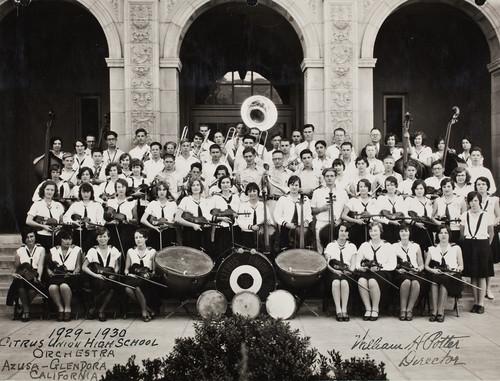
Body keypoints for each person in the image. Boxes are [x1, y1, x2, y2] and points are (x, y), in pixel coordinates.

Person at [460, 191, 495, 314]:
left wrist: (485, 246)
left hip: (482, 245)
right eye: (471, 201)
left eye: (475, 200)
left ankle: (481, 303)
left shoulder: (486, 215)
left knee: (481, 276)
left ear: (480, 201)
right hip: (470, 245)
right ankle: (475, 303)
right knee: (473, 275)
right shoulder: (465, 215)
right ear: (468, 203)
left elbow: (491, 233)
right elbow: (462, 232)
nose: (473, 203)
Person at [356, 222, 396, 321]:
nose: (373, 233)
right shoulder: (364, 245)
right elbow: (357, 261)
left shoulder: (387, 245)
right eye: (371, 231)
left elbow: (393, 264)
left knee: (372, 281)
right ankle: (368, 308)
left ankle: (375, 308)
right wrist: (360, 267)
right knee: (361, 281)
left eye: (375, 231)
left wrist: (379, 268)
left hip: (383, 272)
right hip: (368, 271)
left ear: (380, 232)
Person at [425, 225, 464, 322]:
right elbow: (426, 266)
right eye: (441, 233)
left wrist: (454, 271)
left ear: (449, 235)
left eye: (446, 233)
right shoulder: (432, 248)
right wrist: (432, 270)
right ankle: (434, 311)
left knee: (444, 281)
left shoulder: (456, 248)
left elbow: (461, 266)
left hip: (452, 276)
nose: (443, 235)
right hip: (436, 274)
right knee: (434, 281)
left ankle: (440, 311)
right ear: (437, 235)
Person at [82, 227, 122, 322]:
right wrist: (96, 275)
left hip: (111, 277)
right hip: (96, 278)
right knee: (106, 286)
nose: (102, 239)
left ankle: (98, 309)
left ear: (108, 238)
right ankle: (99, 310)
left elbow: (117, 266)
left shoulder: (114, 249)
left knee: (111, 287)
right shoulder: (92, 250)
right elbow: (84, 267)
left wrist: (115, 274)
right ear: (96, 238)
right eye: (100, 236)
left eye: (104, 236)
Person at [46, 228, 82, 322]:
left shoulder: (77, 249)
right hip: (57, 275)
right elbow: (48, 266)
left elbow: (78, 266)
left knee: (64, 286)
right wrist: (49, 271)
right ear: (60, 239)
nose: (68, 241)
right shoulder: (54, 250)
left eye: (70, 239)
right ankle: (60, 308)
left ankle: (67, 308)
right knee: (52, 287)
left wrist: (74, 272)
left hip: (70, 276)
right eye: (65, 239)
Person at [10, 228, 46, 322]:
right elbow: (16, 267)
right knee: (20, 284)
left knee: (32, 289)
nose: (30, 239)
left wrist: (39, 277)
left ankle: (24, 308)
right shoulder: (20, 251)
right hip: (23, 274)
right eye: (27, 238)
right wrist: (13, 274)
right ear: (24, 239)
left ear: (35, 237)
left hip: (35, 273)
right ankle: (26, 311)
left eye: (32, 237)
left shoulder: (41, 249)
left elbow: (41, 265)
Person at [323, 223, 357, 322]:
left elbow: (353, 264)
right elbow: (326, 263)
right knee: (336, 282)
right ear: (337, 232)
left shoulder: (352, 246)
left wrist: (349, 271)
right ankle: (338, 310)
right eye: (341, 230)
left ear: (348, 234)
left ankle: (344, 310)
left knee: (345, 283)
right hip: (332, 271)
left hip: (347, 272)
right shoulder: (331, 245)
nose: (343, 233)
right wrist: (334, 271)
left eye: (346, 231)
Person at [311, 168, 349, 253]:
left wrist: (340, 220)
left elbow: (346, 209)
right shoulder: (317, 192)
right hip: (321, 223)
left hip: (337, 224)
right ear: (324, 178)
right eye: (327, 176)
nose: (329, 178)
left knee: (336, 248)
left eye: (332, 176)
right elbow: (312, 211)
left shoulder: (342, 192)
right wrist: (322, 209)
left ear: (335, 177)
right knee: (320, 248)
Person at [475, 176, 500, 299]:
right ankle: (479, 289)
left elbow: (498, 216)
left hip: (490, 232)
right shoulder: (473, 199)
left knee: (488, 262)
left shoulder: (493, 200)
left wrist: (490, 224)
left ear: (487, 186)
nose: (481, 186)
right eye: (479, 184)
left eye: (483, 184)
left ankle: (488, 289)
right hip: (477, 233)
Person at [392, 224, 424, 321]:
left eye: (406, 231)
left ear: (410, 233)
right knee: (406, 282)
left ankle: (409, 310)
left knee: (415, 283)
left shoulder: (416, 246)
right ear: (399, 233)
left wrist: (418, 269)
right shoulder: (394, 246)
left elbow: (421, 264)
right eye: (402, 231)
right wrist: (397, 270)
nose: (404, 233)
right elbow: (391, 263)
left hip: (414, 272)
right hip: (400, 273)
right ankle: (403, 310)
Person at [124, 229, 157, 322]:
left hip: (146, 278)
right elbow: (126, 269)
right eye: (136, 238)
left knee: (134, 287)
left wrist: (150, 275)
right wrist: (128, 273)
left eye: (140, 237)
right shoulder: (130, 251)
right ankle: (146, 309)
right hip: (134, 277)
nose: (138, 240)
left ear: (146, 238)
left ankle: (144, 310)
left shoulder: (152, 251)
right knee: (128, 288)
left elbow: (154, 270)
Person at [273, 176, 313, 251]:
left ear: (299, 186)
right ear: (288, 186)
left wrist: (306, 221)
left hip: (301, 230)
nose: (294, 187)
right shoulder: (283, 199)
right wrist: (286, 224)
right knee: (286, 253)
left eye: (296, 185)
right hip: (287, 229)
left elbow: (309, 214)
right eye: (292, 185)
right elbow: (277, 215)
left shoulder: (305, 199)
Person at [63, 182, 105, 252]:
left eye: (88, 192)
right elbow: (65, 218)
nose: (86, 194)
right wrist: (73, 222)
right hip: (78, 233)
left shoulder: (97, 205)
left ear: (91, 192)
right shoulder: (75, 205)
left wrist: (92, 224)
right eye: (83, 192)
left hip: (92, 234)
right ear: (80, 193)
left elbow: (101, 222)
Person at [26, 180, 65, 251]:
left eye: (52, 190)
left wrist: (59, 227)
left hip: (55, 237)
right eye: (47, 189)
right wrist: (43, 226)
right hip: (41, 236)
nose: (49, 192)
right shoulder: (37, 204)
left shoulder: (58, 205)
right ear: (43, 190)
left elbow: (62, 222)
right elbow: (28, 221)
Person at [175, 179, 212, 251]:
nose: (196, 187)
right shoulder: (186, 200)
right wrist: (193, 225)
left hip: (204, 232)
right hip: (190, 233)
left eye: (198, 185)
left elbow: (208, 216)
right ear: (190, 188)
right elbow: (177, 218)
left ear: (201, 187)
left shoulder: (205, 201)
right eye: (193, 185)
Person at [210, 175, 242, 259]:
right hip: (221, 229)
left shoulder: (236, 197)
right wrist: (220, 218)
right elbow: (207, 214)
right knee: (222, 253)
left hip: (235, 229)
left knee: (235, 254)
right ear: (219, 185)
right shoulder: (215, 198)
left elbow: (239, 212)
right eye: (223, 182)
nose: (225, 184)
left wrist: (236, 215)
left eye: (227, 182)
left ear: (231, 184)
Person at [141, 182, 178, 250]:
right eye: (159, 190)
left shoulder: (172, 204)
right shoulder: (153, 203)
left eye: (164, 190)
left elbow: (176, 220)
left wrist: (169, 224)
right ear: (156, 191)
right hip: (156, 231)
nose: (162, 192)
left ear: (167, 191)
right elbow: (143, 219)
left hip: (169, 232)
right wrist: (154, 227)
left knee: (168, 253)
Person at [341, 179, 377, 248]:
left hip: (370, 229)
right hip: (357, 229)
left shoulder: (373, 200)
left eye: (365, 187)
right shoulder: (353, 200)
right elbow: (343, 216)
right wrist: (356, 221)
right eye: (360, 187)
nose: (362, 189)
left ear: (368, 188)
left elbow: (376, 216)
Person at [105, 178, 138, 254]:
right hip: (113, 229)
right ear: (115, 189)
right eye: (118, 187)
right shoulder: (110, 202)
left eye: (123, 187)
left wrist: (126, 219)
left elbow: (136, 221)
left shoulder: (132, 202)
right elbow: (106, 219)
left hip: (126, 229)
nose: (121, 189)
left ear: (126, 188)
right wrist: (111, 221)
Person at [237, 182, 273, 250]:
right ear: (247, 193)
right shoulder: (243, 205)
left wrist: (269, 222)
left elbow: (269, 219)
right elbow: (240, 221)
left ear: (258, 192)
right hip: (247, 234)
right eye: (250, 191)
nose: (252, 193)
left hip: (261, 235)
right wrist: (251, 227)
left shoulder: (263, 205)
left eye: (254, 191)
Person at [373, 176, 407, 243]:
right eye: (387, 185)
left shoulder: (399, 198)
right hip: (386, 226)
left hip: (398, 225)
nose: (390, 187)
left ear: (396, 186)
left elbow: (404, 213)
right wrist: (388, 221)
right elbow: (375, 216)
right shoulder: (381, 198)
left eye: (392, 185)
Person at [405, 179, 435, 252]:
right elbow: (404, 215)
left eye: (421, 188)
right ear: (413, 190)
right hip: (416, 228)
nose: (419, 191)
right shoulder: (409, 200)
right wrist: (414, 223)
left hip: (427, 228)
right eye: (417, 189)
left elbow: (431, 215)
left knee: (429, 250)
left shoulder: (428, 201)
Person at [432, 178, 465, 243]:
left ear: (453, 187)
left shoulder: (460, 200)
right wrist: (438, 222)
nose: (446, 189)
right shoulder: (438, 200)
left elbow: (464, 217)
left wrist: (462, 232)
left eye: (449, 186)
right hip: (442, 231)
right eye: (444, 187)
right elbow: (431, 216)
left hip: (456, 229)